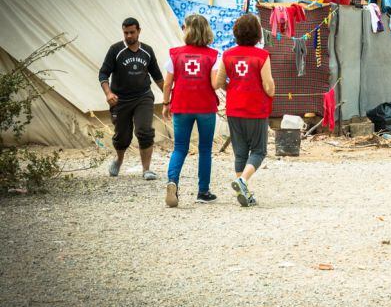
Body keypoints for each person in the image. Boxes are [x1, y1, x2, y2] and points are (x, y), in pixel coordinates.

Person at [213, 13, 275, 207]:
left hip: (234, 109)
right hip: (256, 109)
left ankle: (244, 192)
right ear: (257, 33)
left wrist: (232, 88)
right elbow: (268, 86)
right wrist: (271, 91)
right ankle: (242, 181)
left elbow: (218, 82)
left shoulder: (227, 55)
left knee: (240, 153)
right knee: (259, 151)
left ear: (236, 32)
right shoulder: (262, 56)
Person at [162, 14, 220, 207]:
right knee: (205, 149)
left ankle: (172, 182)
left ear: (187, 30)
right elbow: (214, 83)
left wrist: (165, 103)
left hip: (181, 105)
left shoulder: (175, 54)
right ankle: (203, 191)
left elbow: (168, 83)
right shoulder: (213, 55)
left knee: (180, 147)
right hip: (205, 107)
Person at [99, 17, 164, 179]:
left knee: (144, 131)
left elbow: (157, 76)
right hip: (120, 99)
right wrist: (108, 93)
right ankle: (119, 160)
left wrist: (170, 97)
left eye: (132, 32)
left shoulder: (147, 51)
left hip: (143, 97)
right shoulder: (115, 50)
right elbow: (103, 74)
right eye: (126, 33)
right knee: (122, 137)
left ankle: (146, 169)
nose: (129, 36)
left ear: (139, 31)